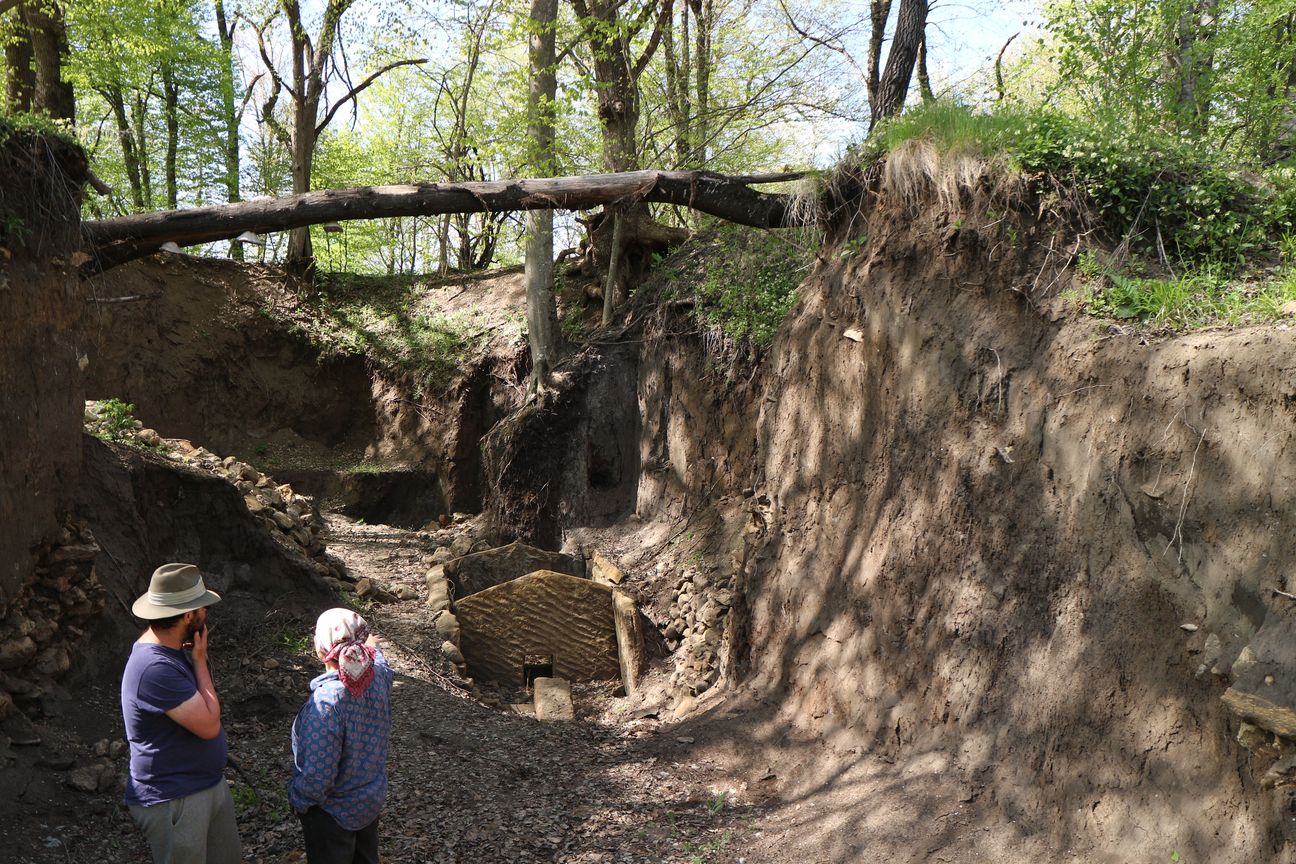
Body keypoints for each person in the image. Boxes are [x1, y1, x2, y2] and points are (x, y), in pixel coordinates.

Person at [120, 562, 241, 864]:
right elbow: (209, 724)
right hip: (176, 797)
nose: (206, 614)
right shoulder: (154, 667)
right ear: (188, 616)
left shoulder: (169, 653)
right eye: (202, 608)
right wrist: (200, 662)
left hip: (201, 786)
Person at [289, 608, 393, 864]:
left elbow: (317, 775)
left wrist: (298, 797)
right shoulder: (379, 678)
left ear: (321, 649)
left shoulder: (327, 702)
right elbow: (381, 661)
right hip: (369, 801)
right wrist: (373, 645)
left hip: (333, 814)